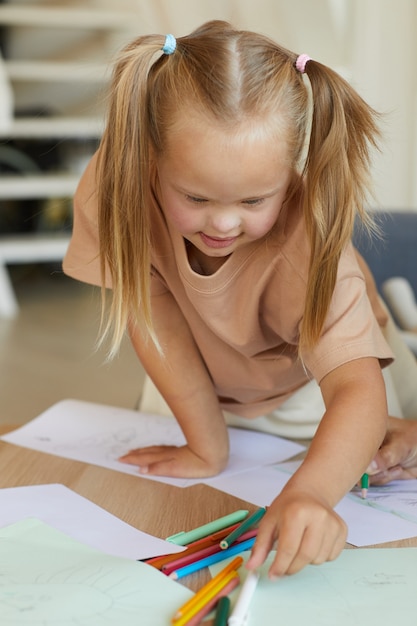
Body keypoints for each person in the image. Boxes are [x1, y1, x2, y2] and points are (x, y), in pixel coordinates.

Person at [63, 21, 394, 579]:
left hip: (306, 389)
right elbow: (155, 319)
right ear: (150, 157)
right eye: (194, 196)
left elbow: (356, 386)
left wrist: (310, 493)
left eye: (253, 200)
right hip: (190, 377)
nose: (221, 222)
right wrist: (206, 446)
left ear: (288, 180)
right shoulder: (116, 182)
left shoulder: (307, 240)